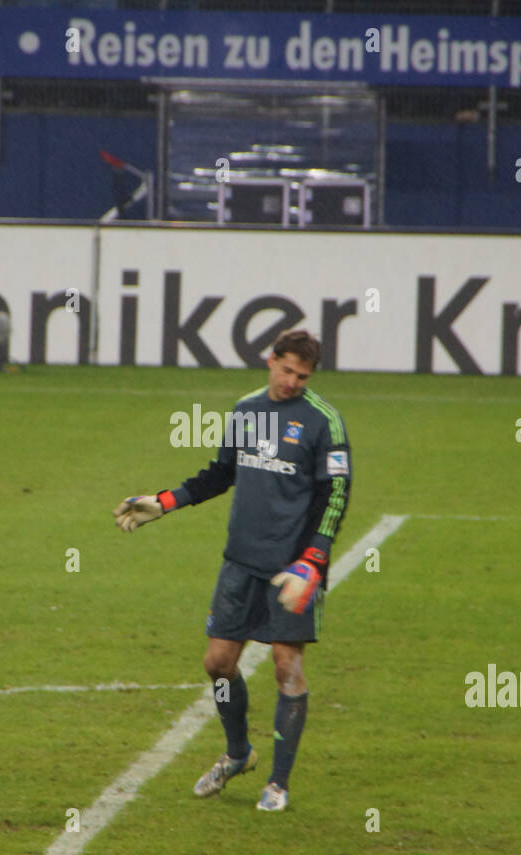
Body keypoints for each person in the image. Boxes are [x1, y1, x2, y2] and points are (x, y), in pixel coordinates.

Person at [112, 330, 351, 811]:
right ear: (271, 361)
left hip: (294, 569)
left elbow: (335, 496)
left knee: (287, 666)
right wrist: (165, 502)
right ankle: (239, 753)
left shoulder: (324, 422)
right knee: (218, 665)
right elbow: (221, 473)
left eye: (302, 376)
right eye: (286, 371)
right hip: (241, 561)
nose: (292, 382)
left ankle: (278, 783)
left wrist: (313, 560)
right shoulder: (246, 411)